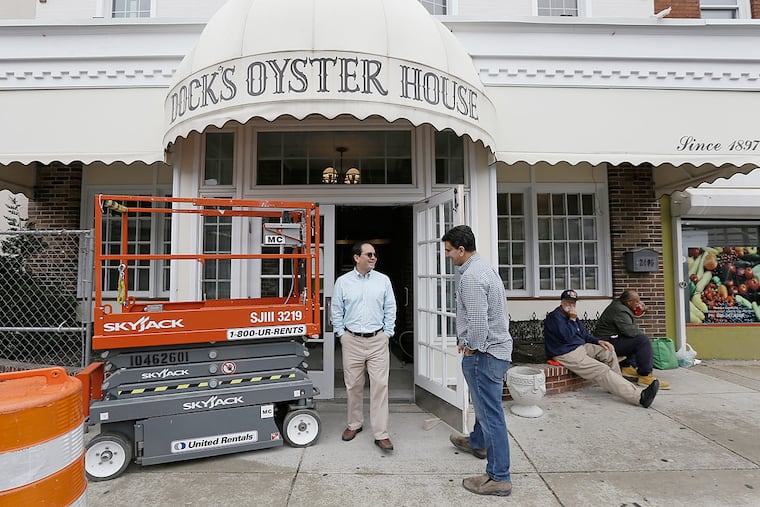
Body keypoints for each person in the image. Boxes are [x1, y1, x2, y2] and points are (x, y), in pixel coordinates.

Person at [442, 225, 513, 497]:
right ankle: (478, 442)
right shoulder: (484, 267)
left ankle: (499, 477)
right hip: (495, 351)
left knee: (490, 414)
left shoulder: (471, 276)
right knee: (485, 406)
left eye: (449, 251)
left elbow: (479, 322)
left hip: (486, 355)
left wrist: (472, 347)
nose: (448, 256)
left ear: (461, 250)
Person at [331, 241, 397, 452]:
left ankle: (381, 434)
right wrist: (341, 334)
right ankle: (354, 424)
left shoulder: (383, 280)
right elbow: (335, 310)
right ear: (356, 257)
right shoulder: (343, 282)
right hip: (352, 340)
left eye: (375, 254)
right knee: (353, 385)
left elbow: (390, 308)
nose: (373, 257)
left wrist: (387, 333)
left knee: (380, 386)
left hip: (378, 340)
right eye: (369, 254)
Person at [544, 289, 660, 409]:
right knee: (601, 369)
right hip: (566, 353)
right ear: (562, 302)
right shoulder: (555, 317)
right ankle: (639, 397)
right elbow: (567, 336)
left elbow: (584, 335)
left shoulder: (571, 316)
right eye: (568, 302)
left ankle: (616, 386)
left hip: (580, 347)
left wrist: (599, 341)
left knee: (608, 351)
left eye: (573, 303)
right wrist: (572, 320)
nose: (571, 305)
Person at [594, 289, 671, 389]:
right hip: (604, 343)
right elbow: (630, 331)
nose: (639, 303)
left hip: (610, 340)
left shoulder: (620, 305)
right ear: (629, 302)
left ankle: (627, 367)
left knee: (636, 340)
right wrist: (644, 339)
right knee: (642, 341)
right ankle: (645, 377)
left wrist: (638, 310)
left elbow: (627, 328)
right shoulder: (620, 310)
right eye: (637, 301)